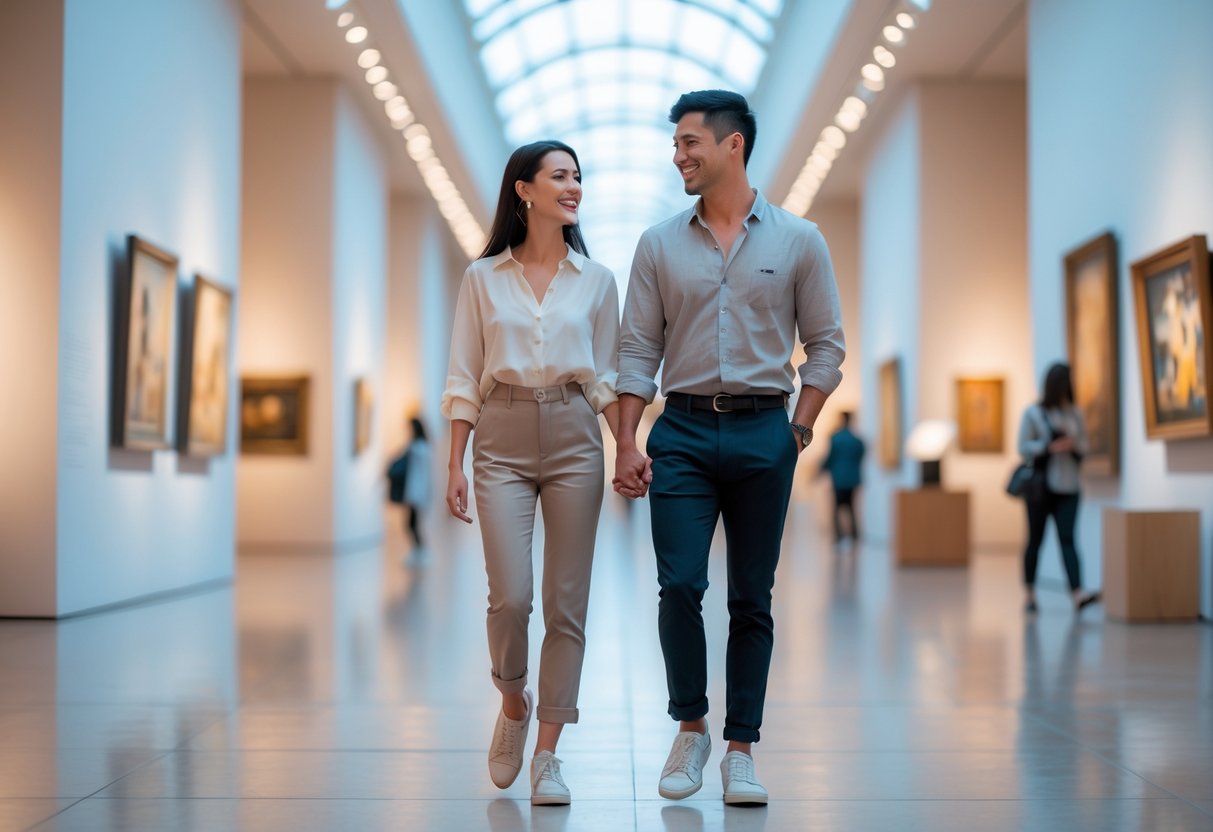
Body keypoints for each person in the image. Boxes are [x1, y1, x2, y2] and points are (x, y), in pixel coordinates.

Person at [613, 90, 845, 805]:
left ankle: (741, 748)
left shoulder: (798, 239)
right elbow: (635, 350)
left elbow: (827, 347)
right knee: (679, 584)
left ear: (731, 146)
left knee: (752, 598)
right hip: (678, 430)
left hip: (761, 429)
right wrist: (625, 440)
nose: (677, 155)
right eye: (676, 143)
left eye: (689, 142)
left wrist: (796, 430)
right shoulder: (656, 244)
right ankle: (691, 726)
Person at [442, 140, 637, 806]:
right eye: (560, 176)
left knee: (565, 603)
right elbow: (463, 376)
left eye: (579, 176)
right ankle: (512, 699)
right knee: (511, 597)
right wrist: (454, 462)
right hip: (499, 436)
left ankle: (548, 755)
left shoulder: (597, 281)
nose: (574, 186)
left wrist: (628, 445)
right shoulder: (481, 278)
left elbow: (607, 379)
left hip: (576, 438)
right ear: (524, 190)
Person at [1017, 362, 1101, 614]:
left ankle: (1077, 593)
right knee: (1035, 540)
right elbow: (1022, 448)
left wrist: (1073, 444)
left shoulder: (1076, 413)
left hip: (1069, 486)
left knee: (1068, 540)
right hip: (1041, 488)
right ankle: (1029, 593)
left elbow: (1086, 446)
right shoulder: (1033, 413)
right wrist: (1047, 446)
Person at [387, 417, 431, 564]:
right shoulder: (421, 447)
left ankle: (420, 551)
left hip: (416, 491)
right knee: (412, 523)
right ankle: (418, 550)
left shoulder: (416, 448)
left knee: (411, 524)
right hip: (416, 491)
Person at [819, 411, 865, 546]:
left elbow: (830, 457)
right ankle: (855, 536)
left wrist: (821, 470)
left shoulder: (836, 438)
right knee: (851, 507)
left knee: (837, 508)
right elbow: (860, 457)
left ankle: (839, 536)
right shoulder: (857, 440)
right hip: (853, 479)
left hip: (838, 479)